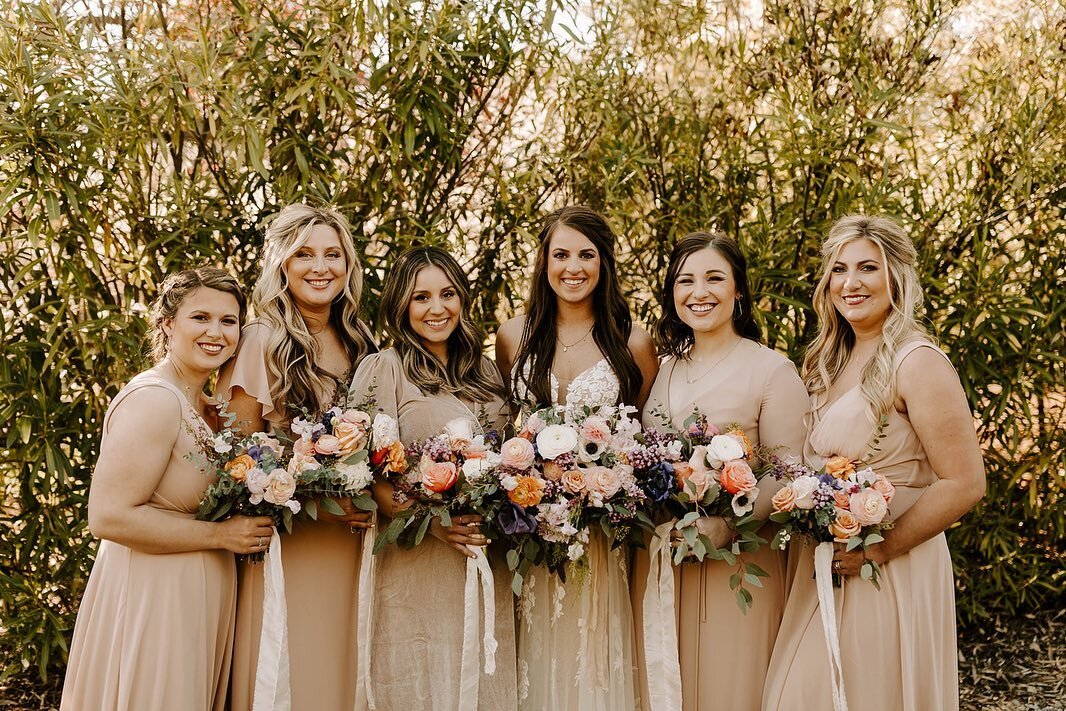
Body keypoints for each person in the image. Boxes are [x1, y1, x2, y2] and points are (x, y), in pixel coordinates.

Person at [763, 215, 985, 710]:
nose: (851, 282)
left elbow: (965, 483)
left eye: (868, 267)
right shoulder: (826, 361)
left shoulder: (917, 361)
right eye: (839, 270)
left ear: (896, 277)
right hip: (825, 562)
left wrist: (880, 550)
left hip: (891, 565)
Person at [61, 267, 273, 711]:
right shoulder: (154, 400)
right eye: (200, 317)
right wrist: (220, 535)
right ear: (167, 324)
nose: (215, 332)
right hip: (151, 600)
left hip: (193, 604)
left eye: (228, 321)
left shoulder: (207, 406)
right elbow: (108, 515)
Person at [632, 232, 809, 710]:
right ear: (672, 293)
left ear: (738, 291)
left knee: (730, 690)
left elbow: (789, 472)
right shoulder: (661, 369)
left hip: (739, 563)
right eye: (685, 280)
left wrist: (729, 525)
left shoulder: (772, 370)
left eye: (714, 278)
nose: (699, 291)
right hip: (659, 559)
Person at [495, 205, 659, 711]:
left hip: (601, 537)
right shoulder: (512, 335)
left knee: (593, 660)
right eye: (560, 254)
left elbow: (641, 441)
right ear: (543, 262)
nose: (573, 267)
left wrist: (604, 482)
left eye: (586, 255)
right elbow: (508, 429)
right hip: (530, 529)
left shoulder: (633, 342)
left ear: (605, 263)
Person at [216, 204, 377, 710]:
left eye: (333, 254)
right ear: (282, 263)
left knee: (345, 670)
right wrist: (305, 481)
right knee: (291, 670)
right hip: (292, 541)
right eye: (304, 254)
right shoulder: (261, 341)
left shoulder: (360, 339)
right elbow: (239, 455)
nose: (320, 267)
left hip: (355, 540)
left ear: (348, 267)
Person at [349, 246, 517, 709]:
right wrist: (434, 525)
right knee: (419, 674)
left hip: (488, 556)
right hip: (418, 554)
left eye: (447, 294)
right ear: (401, 304)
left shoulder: (484, 371)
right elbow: (369, 476)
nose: (437, 308)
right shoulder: (384, 368)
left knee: (484, 677)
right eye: (421, 297)